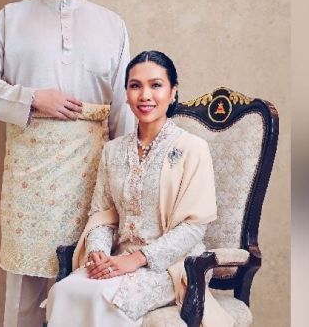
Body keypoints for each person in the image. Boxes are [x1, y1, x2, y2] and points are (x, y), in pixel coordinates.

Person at [0, 0, 135, 327]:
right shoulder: (11, 18)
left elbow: (123, 108)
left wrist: (123, 182)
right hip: (31, 172)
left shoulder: (112, 25)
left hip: (92, 174)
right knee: (24, 292)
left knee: (89, 279)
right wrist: (31, 98)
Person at [45, 51, 234, 327]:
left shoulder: (192, 149)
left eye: (156, 85)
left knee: (105, 299)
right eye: (135, 86)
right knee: (64, 291)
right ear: (126, 93)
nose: (145, 95)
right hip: (117, 260)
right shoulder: (112, 151)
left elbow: (194, 228)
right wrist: (98, 253)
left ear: (173, 92)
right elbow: (102, 215)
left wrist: (138, 259)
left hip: (173, 265)